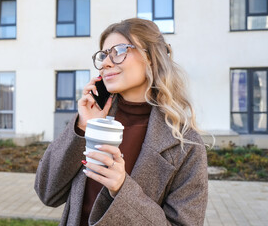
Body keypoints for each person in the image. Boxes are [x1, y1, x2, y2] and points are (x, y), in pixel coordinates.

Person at [35, 18, 208, 225]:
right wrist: (82, 127)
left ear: (150, 57)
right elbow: (47, 192)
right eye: (104, 55)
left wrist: (122, 188)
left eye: (119, 51)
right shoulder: (92, 120)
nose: (107, 63)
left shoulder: (185, 144)